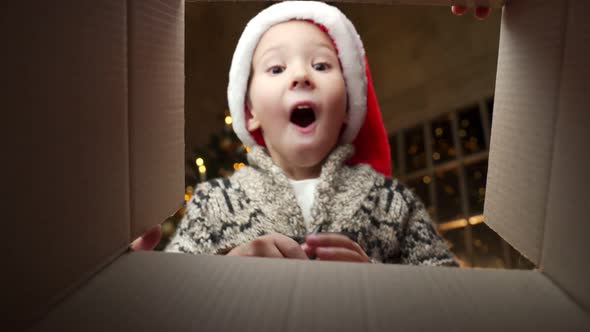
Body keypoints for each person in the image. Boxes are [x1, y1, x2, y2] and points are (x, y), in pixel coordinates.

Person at [131, 1, 492, 265]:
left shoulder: (392, 202)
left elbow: (444, 292)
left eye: (321, 65)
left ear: (348, 104)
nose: (301, 75)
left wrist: (380, 286)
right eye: (276, 68)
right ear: (250, 111)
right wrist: (223, 273)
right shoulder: (212, 204)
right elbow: (174, 296)